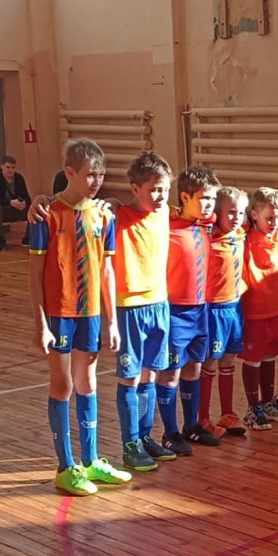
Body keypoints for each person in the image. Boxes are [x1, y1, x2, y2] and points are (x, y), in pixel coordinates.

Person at [28, 140, 132, 495]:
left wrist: (112, 321)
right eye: (90, 174)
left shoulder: (104, 217)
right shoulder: (46, 215)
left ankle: (90, 460)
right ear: (69, 173)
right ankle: (65, 467)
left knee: (88, 383)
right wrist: (41, 323)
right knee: (62, 385)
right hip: (59, 313)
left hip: (90, 313)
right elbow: (35, 273)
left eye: (101, 175)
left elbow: (107, 271)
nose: (96, 181)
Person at [113, 152, 175, 471]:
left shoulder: (166, 213)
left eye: (165, 189)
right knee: (130, 376)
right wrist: (43, 199)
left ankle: (145, 436)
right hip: (130, 307)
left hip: (159, 303)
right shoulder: (117, 214)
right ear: (135, 189)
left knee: (151, 373)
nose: (161, 196)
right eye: (154, 190)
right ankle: (130, 443)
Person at [154, 165, 222, 454]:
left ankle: (191, 426)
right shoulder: (166, 224)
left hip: (201, 310)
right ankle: (169, 433)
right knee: (171, 373)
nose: (209, 204)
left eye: (212, 199)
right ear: (184, 197)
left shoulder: (208, 223)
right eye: (203, 198)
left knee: (194, 368)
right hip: (175, 312)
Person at [240, 188, 278, 431]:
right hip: (255, 310)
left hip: (277, 307)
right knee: (253, 358)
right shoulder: (246, 235)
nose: (274, 223)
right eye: (268, 218)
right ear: (254, 215)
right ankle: (253, 408)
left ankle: (268, 403)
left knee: (270, 355)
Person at [199, 187, 249, 437]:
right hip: (214, 310)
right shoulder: (208, 235)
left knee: (229, 361)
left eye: (240, 212)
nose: (236, 217)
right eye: (231, 212)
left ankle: (228, 413)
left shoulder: (241, 233)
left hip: (234, 308)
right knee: (210, 362)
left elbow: (271, 207)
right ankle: (203, 418)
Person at [0, 155, 31, 250]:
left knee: (35, 208)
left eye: (13, 168)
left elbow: (27, 197)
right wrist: (10, 202)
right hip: (2, 210)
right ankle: (1, 241)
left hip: (17, 209)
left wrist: (24, 203)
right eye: (8, 167)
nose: (10, 170)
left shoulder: (19, 178)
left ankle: (28, 238)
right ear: (2, 166)